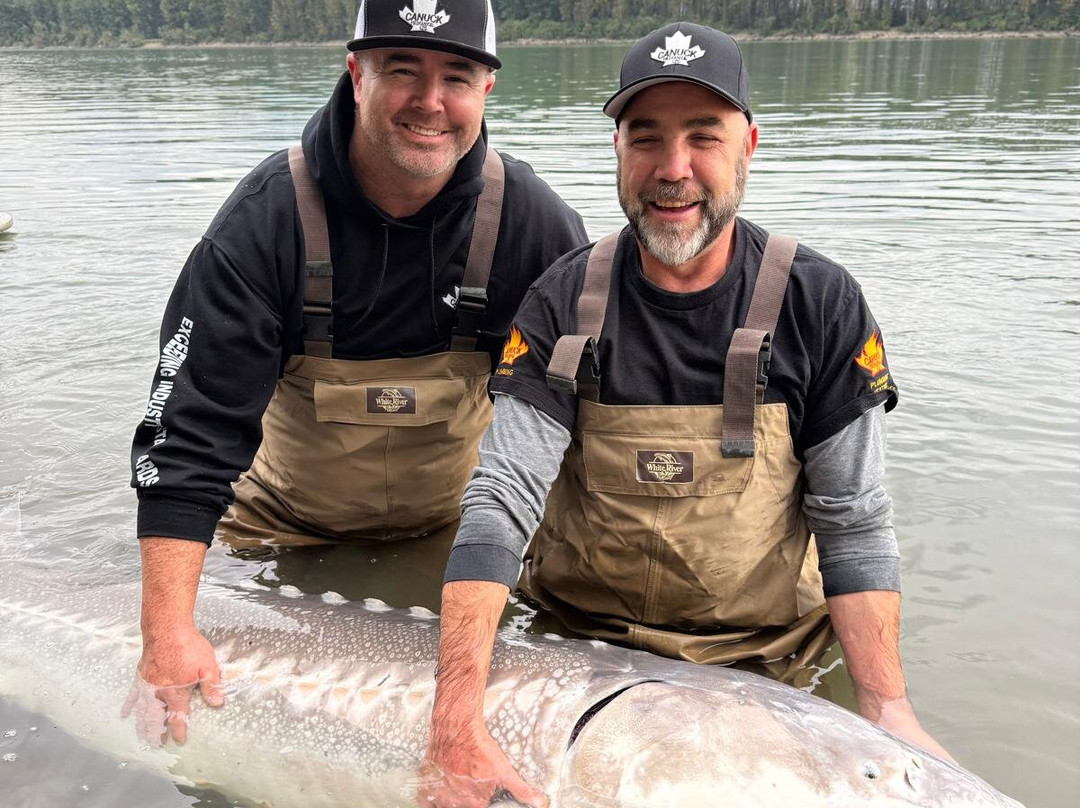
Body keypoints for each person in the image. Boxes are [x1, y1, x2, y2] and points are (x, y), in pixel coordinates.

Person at [422, 22, 950, 808]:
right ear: (617, 150)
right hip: (581, 653)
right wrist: (455, 719)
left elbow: (855, 524)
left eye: (704, 136)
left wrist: (885, 707)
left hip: (767, 661)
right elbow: (501, 502)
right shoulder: (561, 301)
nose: (674, 170)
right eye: (647, 138)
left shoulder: (821, 302)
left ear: (748, 147)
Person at [128, 0, 587, 745]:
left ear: (487, 89)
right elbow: (188, 437)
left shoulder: (532, 225)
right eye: (402, 69)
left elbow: (575, 424)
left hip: (450, 529)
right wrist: (167, 630)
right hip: (280, 531)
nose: (430, 101)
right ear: (355, 74)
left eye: (457, 76)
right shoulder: (264, 221)